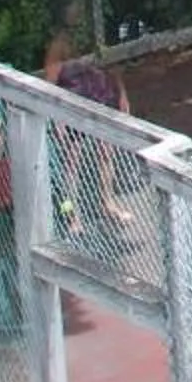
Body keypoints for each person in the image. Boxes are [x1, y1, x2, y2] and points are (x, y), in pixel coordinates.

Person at [41, 26, 139, 230]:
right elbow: (50, 87)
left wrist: (121, 94)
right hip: (72, 109)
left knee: (106, 152)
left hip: (99, 101)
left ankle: (108, 203)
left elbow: (112, 68)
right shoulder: (57, 49)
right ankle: (73, 216)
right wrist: (58, 117)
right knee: (72, 162)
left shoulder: (95, 38)